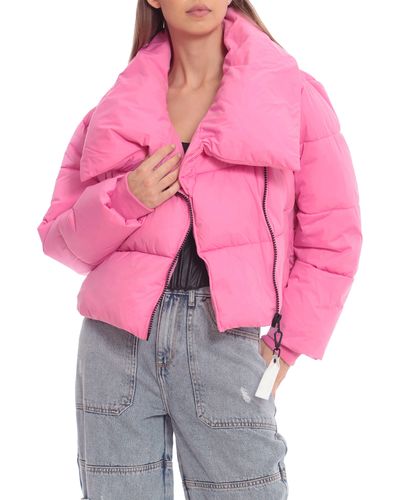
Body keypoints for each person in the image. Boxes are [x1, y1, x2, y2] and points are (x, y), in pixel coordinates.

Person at [37, 1, 362, 498]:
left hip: (226, 340)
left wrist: (289, 343)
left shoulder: (289, 95)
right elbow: (63, 243)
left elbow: (333, 232)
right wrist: (127, 198)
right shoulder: (114, 109)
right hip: (114, 346)